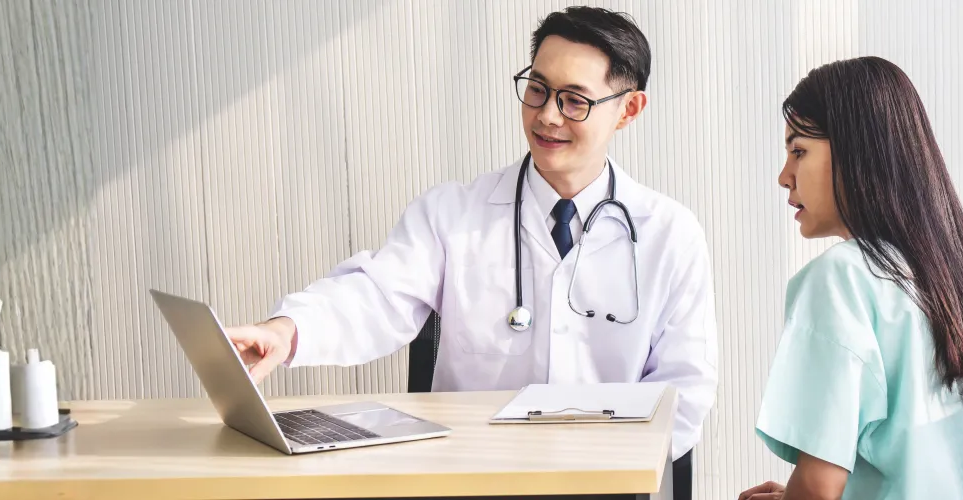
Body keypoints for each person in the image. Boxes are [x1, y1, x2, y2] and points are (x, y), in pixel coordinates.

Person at [223, 6, 716, 498]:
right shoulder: (454, 214)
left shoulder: (669, 235)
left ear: (628, 110)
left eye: (574, 101)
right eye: (538, 89)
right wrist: (287, 331)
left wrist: (603, 471)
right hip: (471, 481)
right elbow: (376, 295)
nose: (547, 116)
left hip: (610, 484)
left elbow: (685, 389)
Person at [737, 56, 963, 500]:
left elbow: (818, 488)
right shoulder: (959, 277)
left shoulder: (842, 278)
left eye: (799, 151)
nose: (783, 177)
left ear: (856, 154)